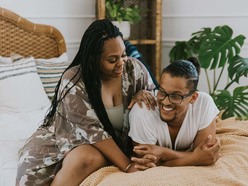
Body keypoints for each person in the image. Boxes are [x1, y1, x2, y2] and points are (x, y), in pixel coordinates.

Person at [16, 19, 157, 186]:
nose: (121, 63)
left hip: (113, 145)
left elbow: (157, 101)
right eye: (112, 60)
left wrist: (145, 94)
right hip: (63, 141)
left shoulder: (134, 69)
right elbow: (92, 131)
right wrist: (126, 165)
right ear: (93, 59)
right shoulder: (73, 81)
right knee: (89, 158)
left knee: (95, 157)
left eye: (124, 54)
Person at [128, 57, 221, 169]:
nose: (166, 101)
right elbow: (145, 164)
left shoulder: (204, 103)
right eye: (162, 92)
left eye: (176, 96)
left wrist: (163, 153)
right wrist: (194, 158)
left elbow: (206, 154)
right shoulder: (143, 110)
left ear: (193, 97)